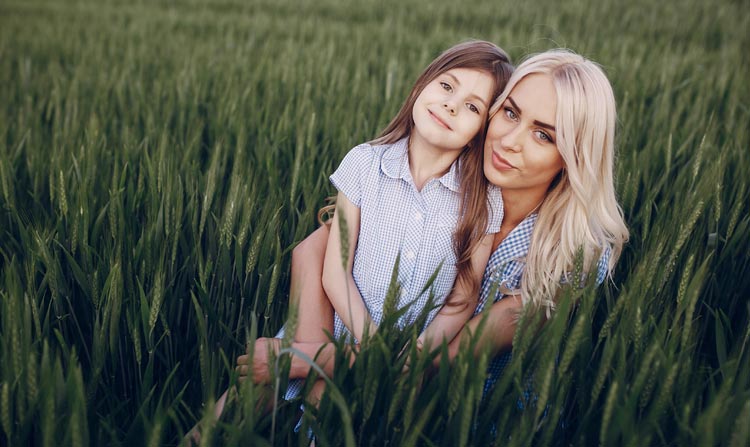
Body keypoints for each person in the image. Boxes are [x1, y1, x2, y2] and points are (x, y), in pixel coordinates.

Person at [237, 49, 629, 404]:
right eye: (510, 113)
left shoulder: (572, 256)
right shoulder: (441, 185)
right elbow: (312, 252)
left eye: (543, 135)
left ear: (575, 158)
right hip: (359, 357)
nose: (509, 141)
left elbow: (426, 363)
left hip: (469, 418)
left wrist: (306, 360)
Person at [210, 40, 513, 419]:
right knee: (229, 414)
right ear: (421, 86)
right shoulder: (366, 163)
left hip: (409, 355)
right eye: (447, 86)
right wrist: (371, 344)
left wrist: (415, 352)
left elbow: (463, 298)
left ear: (480, 131)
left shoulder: (483, 201)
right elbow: (336, 270)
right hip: (333, 329)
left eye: (472, 106)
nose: (452, 105)